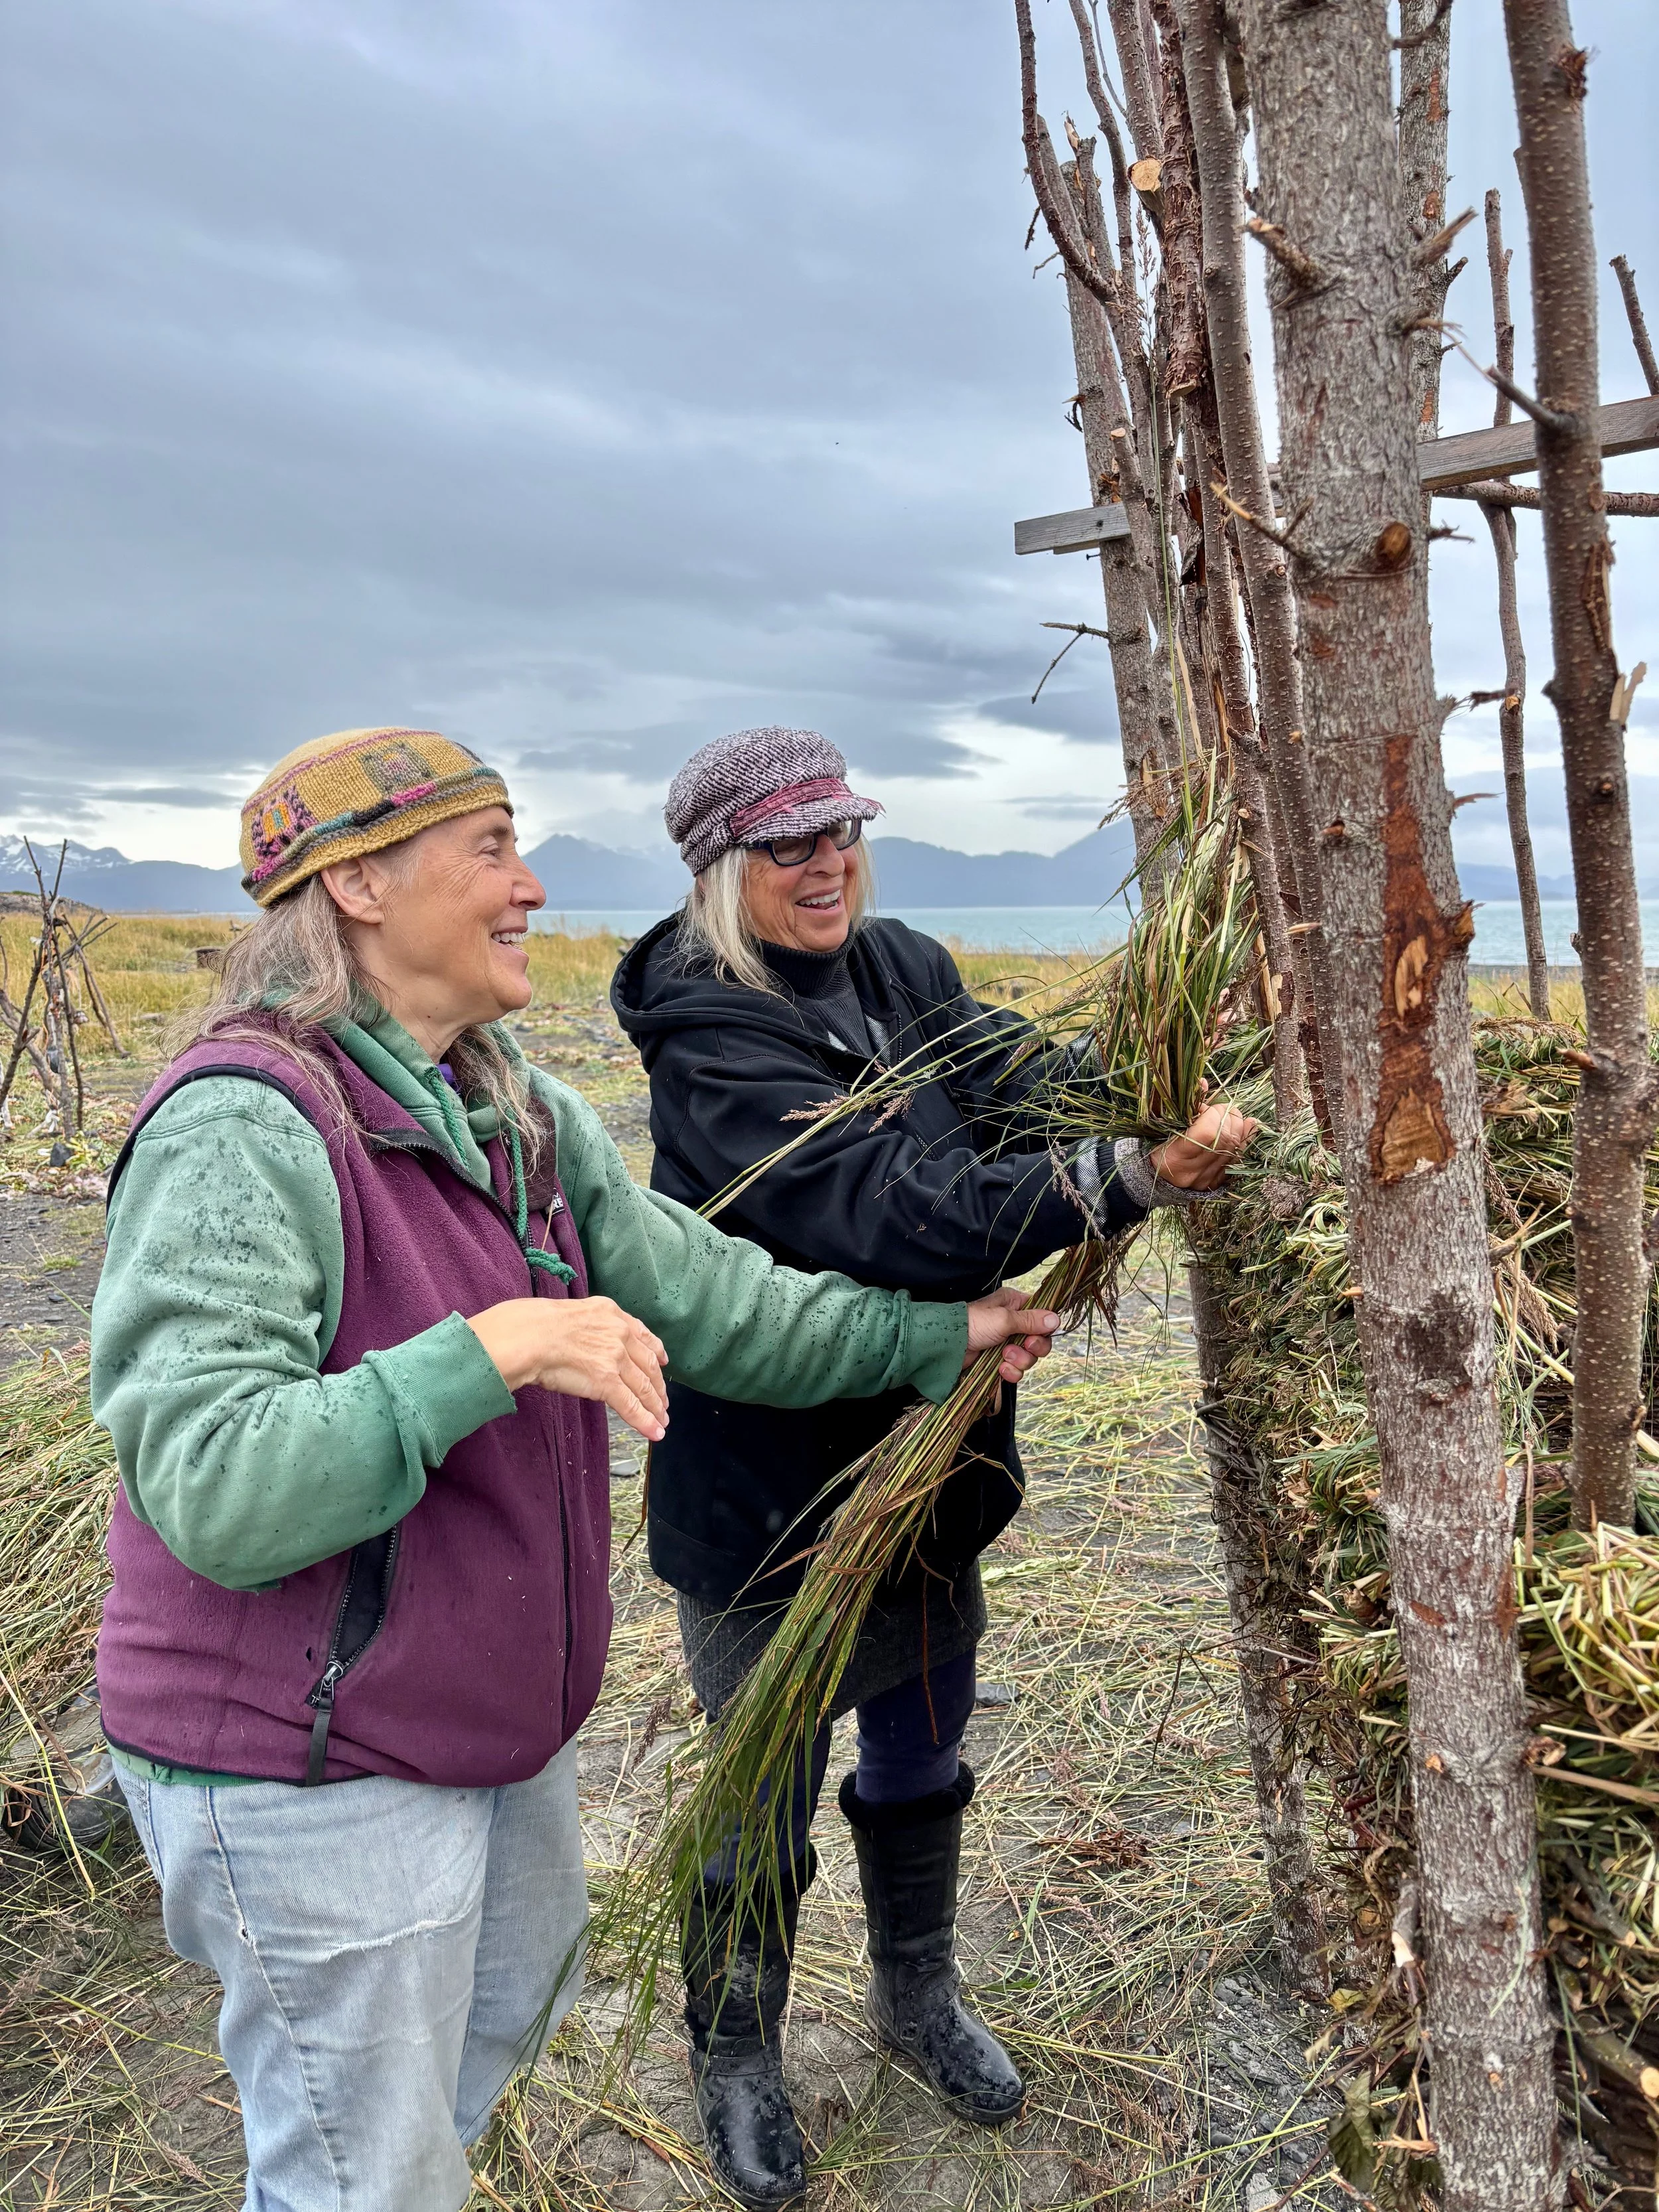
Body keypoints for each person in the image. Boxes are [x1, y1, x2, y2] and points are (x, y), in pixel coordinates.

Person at [90, 725, 1062, 2212]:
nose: (532, 884)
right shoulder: (244, 1125)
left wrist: (934, 1334)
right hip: (302, 1759)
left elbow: (717, 1296)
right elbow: (217, 1483)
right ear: (356, 885)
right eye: (489, 849)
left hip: (471, 1724)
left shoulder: (507, 1102)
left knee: (486, 2034)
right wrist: (492, 1349)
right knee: (362, 2170)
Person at [611, 725, 1254, 2209]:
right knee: (763, 1780)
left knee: (919, 1737)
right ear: (719, 868)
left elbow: (1019, 1089)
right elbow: (880, 1213)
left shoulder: (900, 963)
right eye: (786, 845)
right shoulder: (711, 1032)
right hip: (768, 1482)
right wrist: (1122, 1182)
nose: (825, 861)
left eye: (838, 831)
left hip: (926, 1459)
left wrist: (1134, 1091)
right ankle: (736, 2054)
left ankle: (916, 1996)